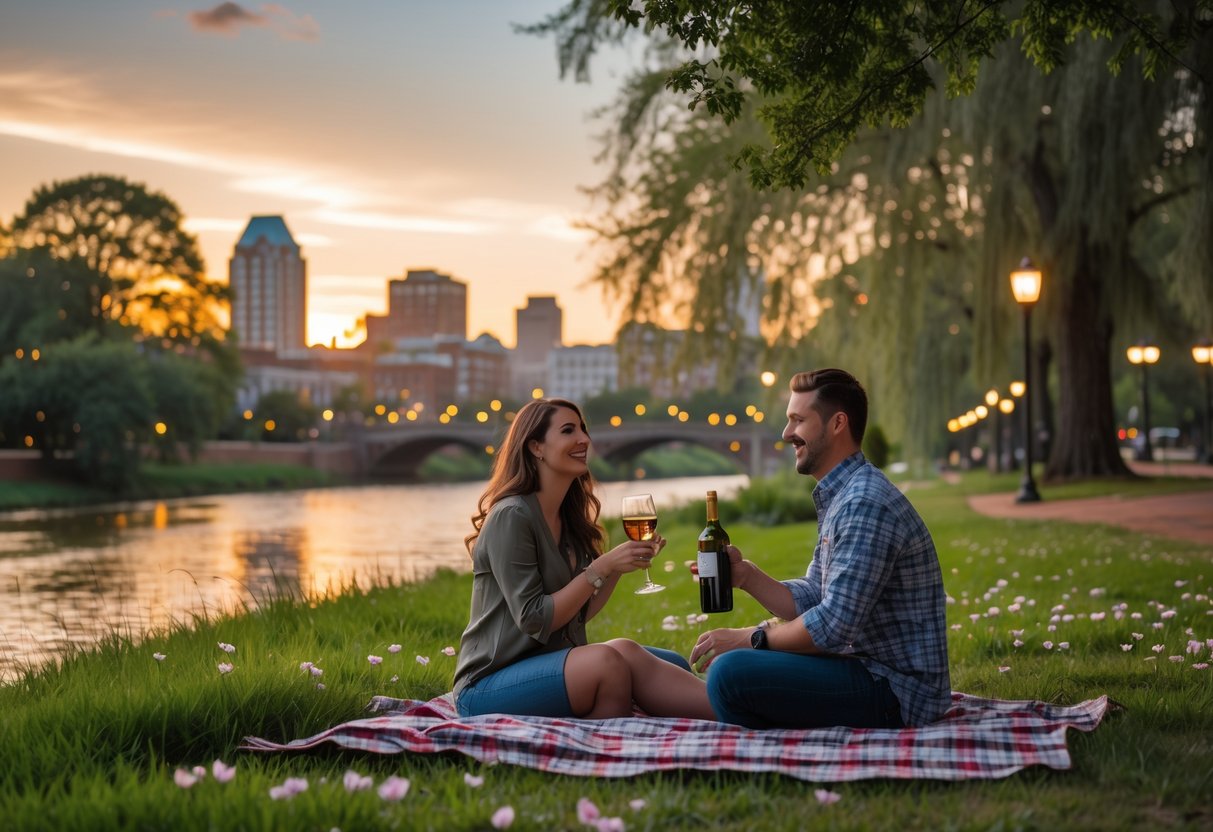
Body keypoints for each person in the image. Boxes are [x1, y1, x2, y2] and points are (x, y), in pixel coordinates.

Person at [690, 369, 951, 729]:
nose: (786, 434)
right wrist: (745, 575)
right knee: (730, 674)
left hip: (896, 689)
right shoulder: (844, 495)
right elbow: (816, 596)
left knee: (730, 673)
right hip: (860, 668)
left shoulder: (865, 502)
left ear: (837, 424)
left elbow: (831, 627)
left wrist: (753, 638)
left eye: (798, 420)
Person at [453, 397, 717, 721]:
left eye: (583, 429)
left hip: (548, 664)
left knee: (652, 660)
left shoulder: (568, 518)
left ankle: (738, 708)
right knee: (608, 663)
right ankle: (600, 752)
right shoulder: (512, 516)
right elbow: (536, 619)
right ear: (536, 447)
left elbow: (577, 614)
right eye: (568, 430)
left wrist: (618, 568)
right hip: (488, 685)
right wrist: (602, 566)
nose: (584, 439)